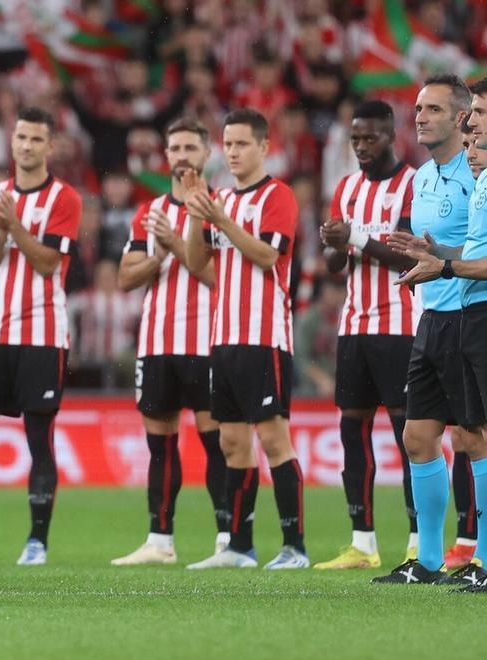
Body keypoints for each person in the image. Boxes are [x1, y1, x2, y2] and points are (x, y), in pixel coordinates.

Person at [183, 108, 309, 570]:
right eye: (228, 144)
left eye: (241, 144)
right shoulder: (220, 201)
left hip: (264, 336)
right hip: (224, 337)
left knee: (275, 439)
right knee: (232, 443)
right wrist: (200, 219)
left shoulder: (278, 197)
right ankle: (239, 546)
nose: (232, 152)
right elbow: (199, 264)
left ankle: (295, 546)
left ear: (263, 147)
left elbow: (266, 255)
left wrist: (222, 220)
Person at [0, 106, 83, 566]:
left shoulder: (64, 199)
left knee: (38, 435)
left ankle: (37, 541)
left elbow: (49, 263)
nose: (26, 146)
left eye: (35, 139)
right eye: (21, 138)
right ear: (11, 143)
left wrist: (15, 229)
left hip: (43, 333)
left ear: (50, 147)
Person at [112, 117, 229, 566]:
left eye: (190, 148)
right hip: (158, 342)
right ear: (166, 157)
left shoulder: (221, 208)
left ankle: (226, 539)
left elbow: (217, 276)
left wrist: (177, 246)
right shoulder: (149, 213)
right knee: (159, 445)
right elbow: (126, 277)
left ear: (206, 155)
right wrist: (158, 254)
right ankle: (159, 540)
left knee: (215, 442)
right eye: (174, 148)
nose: (182, 156)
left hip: (208, 341)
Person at [386, 75, 487, 587]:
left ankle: (480, 557)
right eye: (418, 107)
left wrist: (443, 263)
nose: (419, 116)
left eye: (432, 108)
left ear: (461, 116)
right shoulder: (422, 178)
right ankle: (427, 561)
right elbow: (453, 249)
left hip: (472, 315)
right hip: (432, 318)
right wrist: (425, 255)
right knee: (418, 435)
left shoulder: (479, 172)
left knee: (474, 437)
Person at [313, 100, 420, 570]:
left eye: (370, 138)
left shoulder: (413, 184)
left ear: (391, 136)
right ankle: (363, 543)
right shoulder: (348, 188)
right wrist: (335, 243)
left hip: (399, 325)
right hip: (354, 326)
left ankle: (420, 540)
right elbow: (336, 265)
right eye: (355, 139)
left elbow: (409, 257)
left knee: (409, 435)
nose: (360, 147)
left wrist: (353, 238)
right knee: (352, 430)